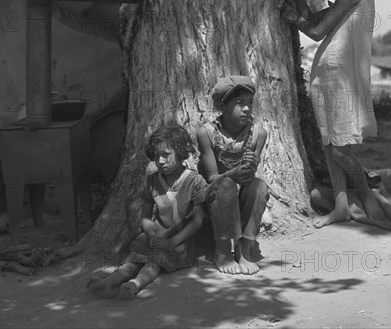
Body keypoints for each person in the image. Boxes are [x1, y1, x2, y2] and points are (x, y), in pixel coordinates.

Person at [282, 0, 386, 228]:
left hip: (340, 77)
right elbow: (311, 18)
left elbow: (314, 31)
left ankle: (366, 197)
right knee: (329, 146)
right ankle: (341, 206)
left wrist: (295, 21)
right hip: (328, 75)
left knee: (340, 148)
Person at [87, 125, 207, 298]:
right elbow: (146, 216)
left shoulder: (195, 181)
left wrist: (172, 242)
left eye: (166, 154)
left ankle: (134, 285)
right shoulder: (152, 180)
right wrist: (151, 235)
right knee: (134, 259)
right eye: (157, 156)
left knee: (154, 262)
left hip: (181, 241)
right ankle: (108, 283)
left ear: (181, 152)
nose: (161, 161)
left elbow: (197, 221)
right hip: (155, 237)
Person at [196, 75, 269, 275]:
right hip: (214, 197)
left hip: (238, 198)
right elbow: (212, 178)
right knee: (226, 184)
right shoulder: (207, 133)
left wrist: (250, 167)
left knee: (259, 186)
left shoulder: (258, 134)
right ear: (223, 106)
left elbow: (248, 177)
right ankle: (222, 251)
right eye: (239, 103)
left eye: (249, 104)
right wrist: (233, 173)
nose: (246, 108)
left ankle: (244, 248)